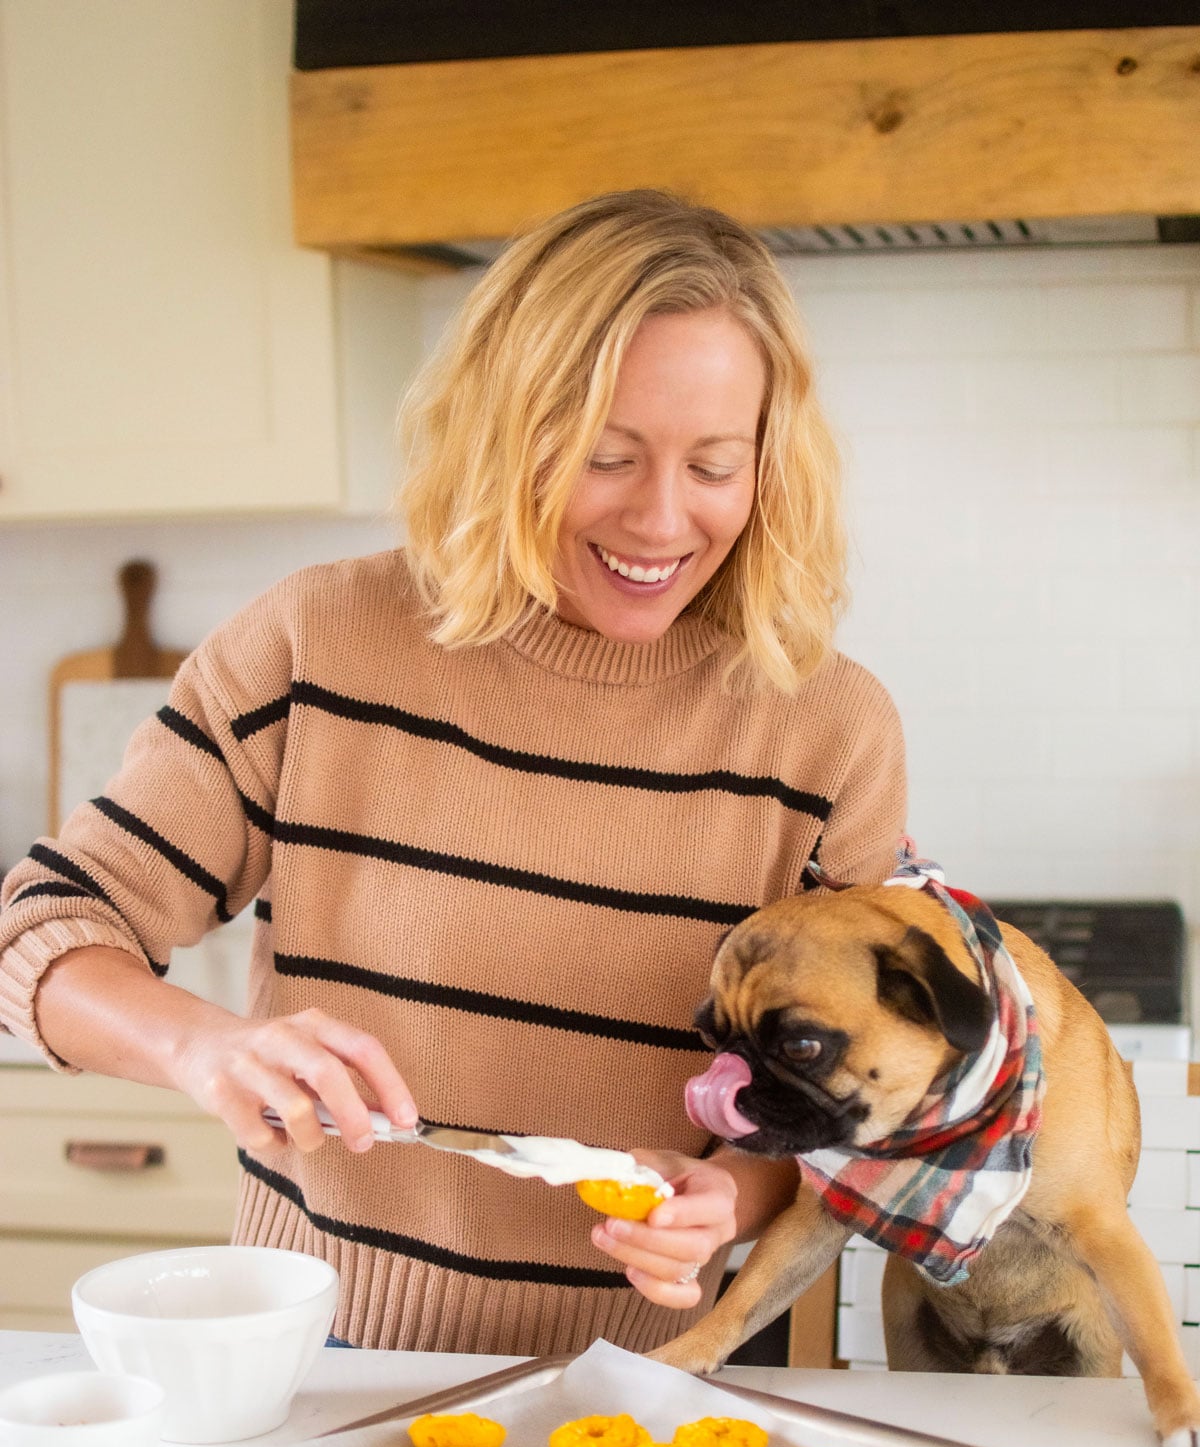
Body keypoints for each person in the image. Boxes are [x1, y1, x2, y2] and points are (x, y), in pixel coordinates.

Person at [0, 189, 905, 1356]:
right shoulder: (317, 643)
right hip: (332, 1359)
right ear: (500, 432)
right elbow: (48, 925)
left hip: (673, 1385)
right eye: (606, 456)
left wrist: (727, 1196)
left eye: (716, 466)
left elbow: (843, 1100)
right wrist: (203, 1045)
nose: (662, 518)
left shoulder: (827, 731)